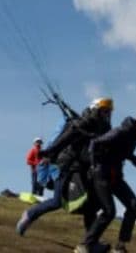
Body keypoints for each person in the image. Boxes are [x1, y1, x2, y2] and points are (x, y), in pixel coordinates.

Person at [16, 98, 114, 237]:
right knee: (57, 201)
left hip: (81, 169)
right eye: (105, 111)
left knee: (91, 204)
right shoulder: (83, 123)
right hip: (65, 166)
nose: (107, 114)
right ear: (96, 110)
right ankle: (29, 214)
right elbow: (65, 139)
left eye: (109, 112)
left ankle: (90, 241)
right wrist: (49, 153)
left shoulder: (103, 128)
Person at [77, 108, 136, 253]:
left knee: (134, 206)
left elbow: (119, 149)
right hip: (101, 174)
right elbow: (95, 143)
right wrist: (93, 166)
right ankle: (84, 246)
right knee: (109, 211)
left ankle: (120, 247)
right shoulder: (120, 131)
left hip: (115, 175)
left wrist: (133, 159)